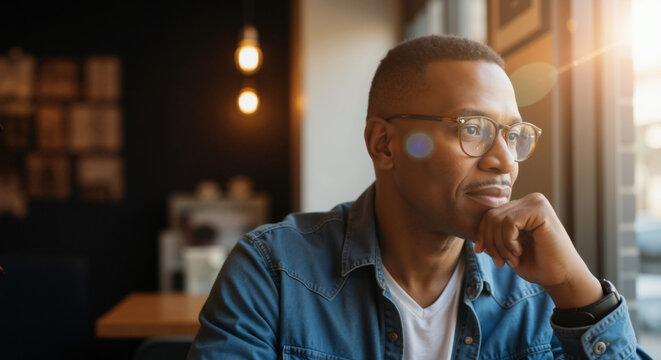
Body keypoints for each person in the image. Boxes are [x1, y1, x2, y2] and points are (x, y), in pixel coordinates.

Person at [187, 35, 651, 359]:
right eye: (473, 129)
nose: (505, 161)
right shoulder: (274, 271)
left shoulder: (536, 292)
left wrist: (579, 294)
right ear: (384, 145)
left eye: (512, 135)